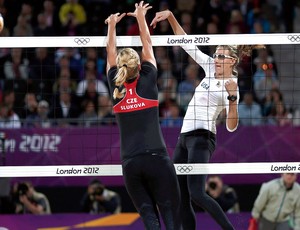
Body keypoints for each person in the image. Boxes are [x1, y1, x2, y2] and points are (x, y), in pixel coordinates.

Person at [151, 10, 264, 230]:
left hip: (203, 138)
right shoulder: (211, 67)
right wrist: (172, 16)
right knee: (181, 195)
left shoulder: (232, 86)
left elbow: (231, 127)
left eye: (221, 56)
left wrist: (232, 99)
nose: (216, 59)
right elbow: (186, 43)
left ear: (231, 60)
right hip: (184, 137)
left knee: (196, 193)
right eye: (216, 54)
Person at [105, 2, 182, 229]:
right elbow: (146, 42)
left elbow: (110, 53)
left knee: (150, 219)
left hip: (130, 164)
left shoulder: (114, 83)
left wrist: (111, 26)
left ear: (120, 68)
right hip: (156, 159)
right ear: (139, 65)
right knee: (170, 214)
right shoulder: (148, 79)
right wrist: (140, 16)